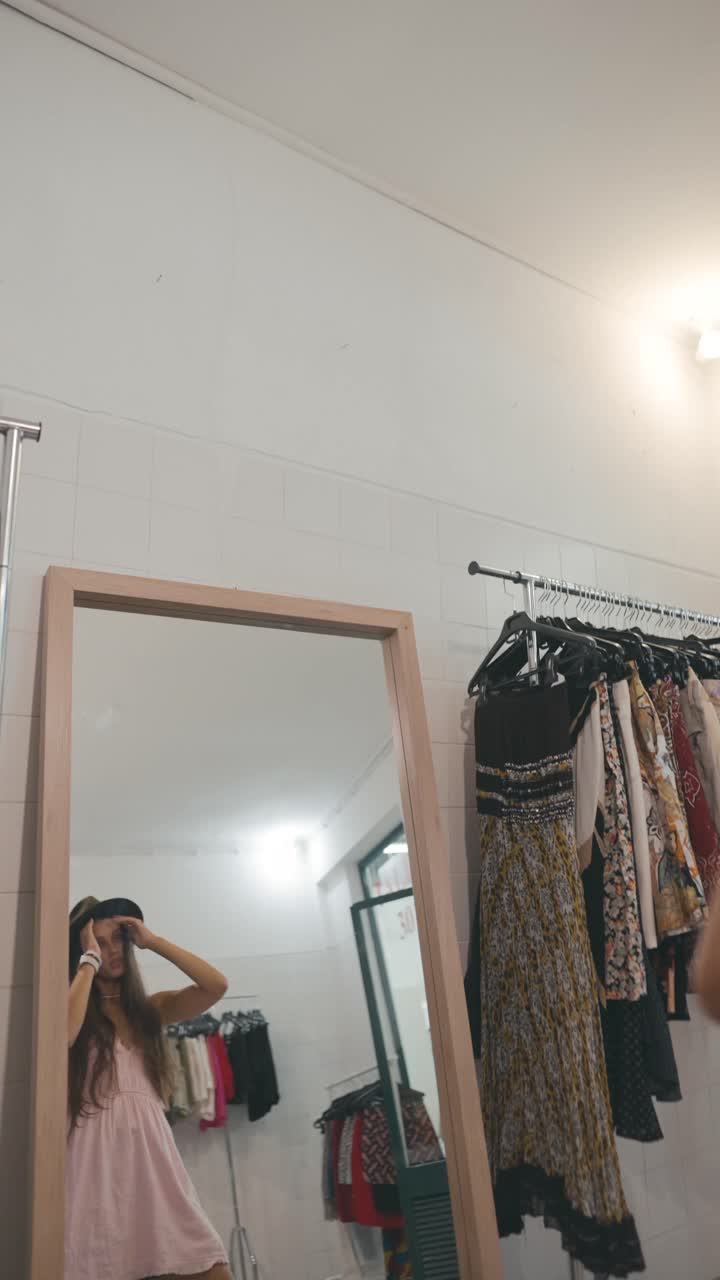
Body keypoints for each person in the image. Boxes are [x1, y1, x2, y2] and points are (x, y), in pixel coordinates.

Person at [67, 895, 232, 1280]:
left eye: (117, 940)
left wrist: (152, 940)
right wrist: (87, 961)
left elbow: (215, 985)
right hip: (91, 1156)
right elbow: (61, 1034)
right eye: (100, 943)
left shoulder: (149, 1010)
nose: (112, 951)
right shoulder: (72, 1009)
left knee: (207, 1263)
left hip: (152, 1154)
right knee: (97, 1259)